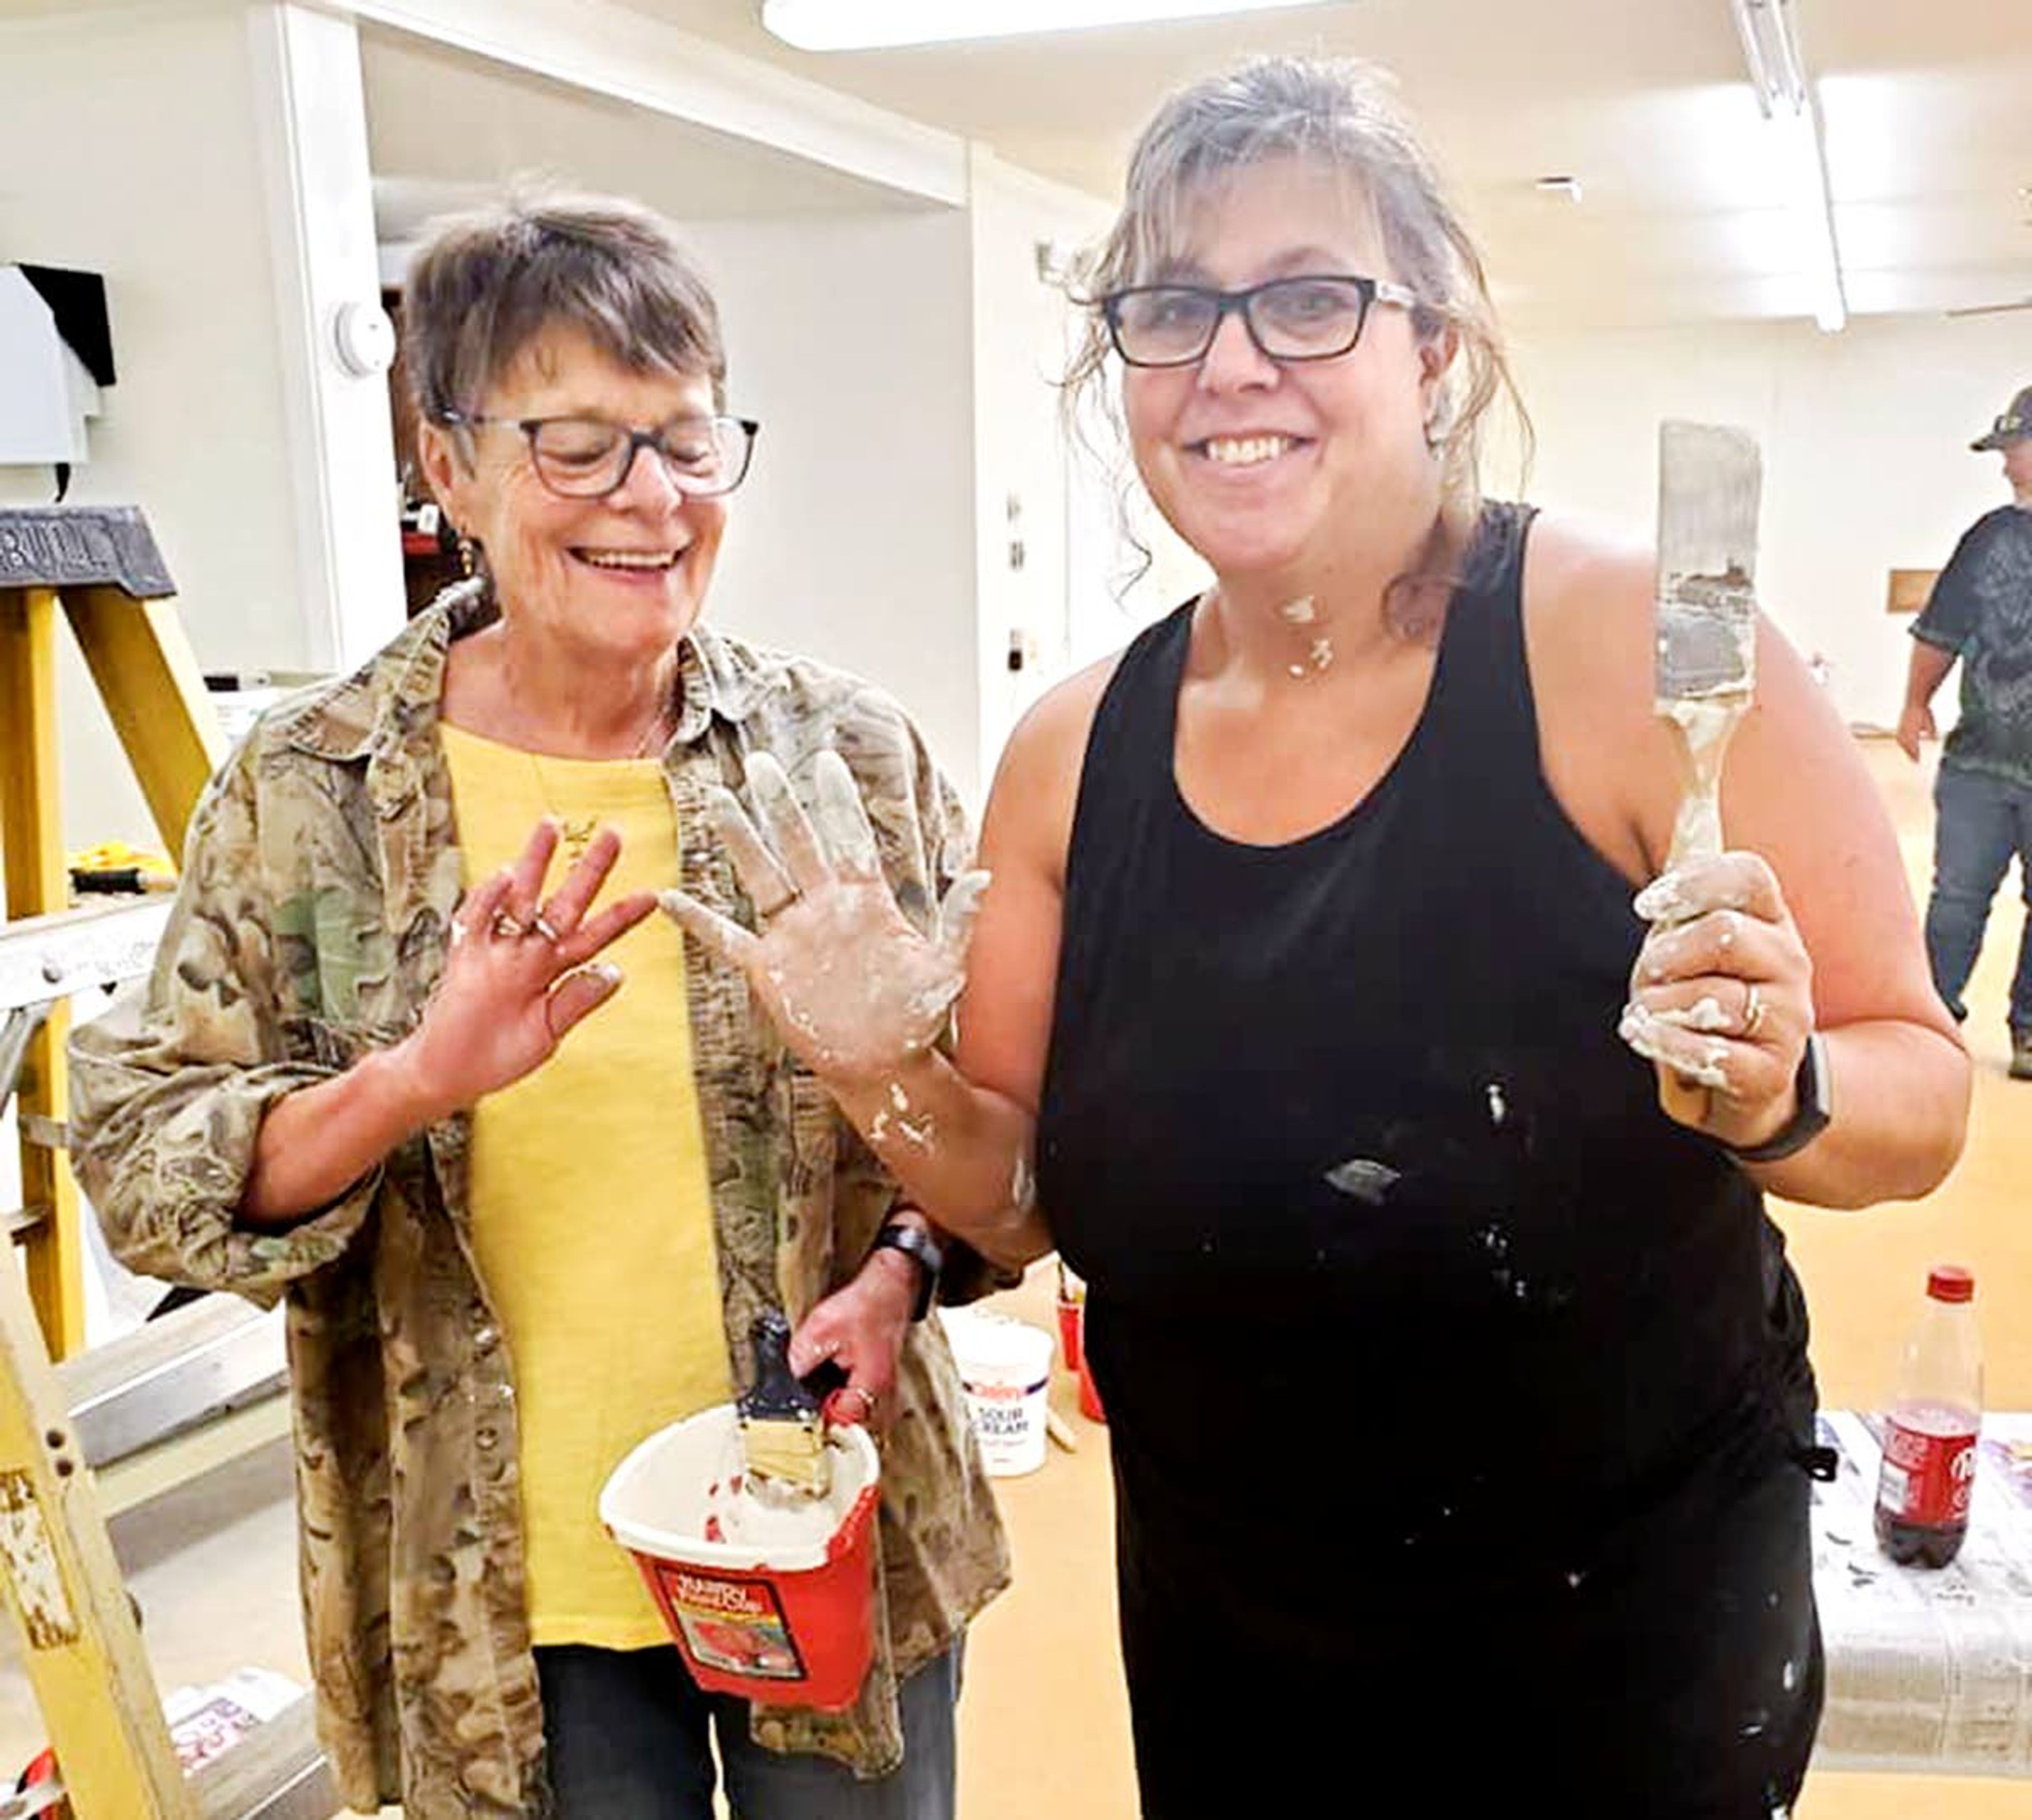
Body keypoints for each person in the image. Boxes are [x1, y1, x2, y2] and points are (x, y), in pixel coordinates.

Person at [663, 58, 1969, 1818]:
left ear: (1433, 349)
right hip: (1234, 1631)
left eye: (1306, 299)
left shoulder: (1634, 652)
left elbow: (1922, 1093)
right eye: (1173, 309)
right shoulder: (1070, 760)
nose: (1229, 364)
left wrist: (1783, 1087)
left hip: (1622, 1639)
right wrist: (871, 1063)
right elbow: (1022, 1198)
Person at [67, 193, 1008, 1820]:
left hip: (825, 1524)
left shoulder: (840, 760)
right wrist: (413, 1080)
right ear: (450, 469)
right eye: (579, 447)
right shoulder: (318, 793)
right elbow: (146, 1162)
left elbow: (997, 1135)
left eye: (688, 443)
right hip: (498, 1592)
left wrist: (905, 1265)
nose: (652, 502)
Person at [1898, 384, 2032, 1080]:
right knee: (1957, 898)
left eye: (2017, 449)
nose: (2008, 465)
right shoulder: (1988, 539)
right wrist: (1914, 702)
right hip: (1981, 760)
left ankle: (2030, 1030)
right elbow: (1942, 627)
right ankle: (1930, 1015)